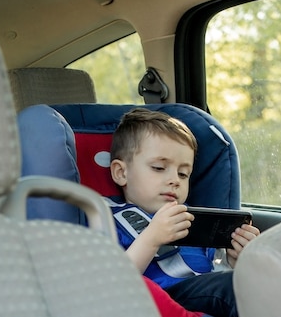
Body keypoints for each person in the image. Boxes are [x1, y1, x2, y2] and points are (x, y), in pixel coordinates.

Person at [107, 108, 260, 317]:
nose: (174, 180)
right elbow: (110, 286)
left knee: (253, 281)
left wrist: (234, 261)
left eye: (183, 173)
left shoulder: (193, 220)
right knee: (236, 287)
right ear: (121, 172)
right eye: (159, 168)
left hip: (203, 296)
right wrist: (151, 238)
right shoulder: (107, 219)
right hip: (159, 299)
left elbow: (212, 272)